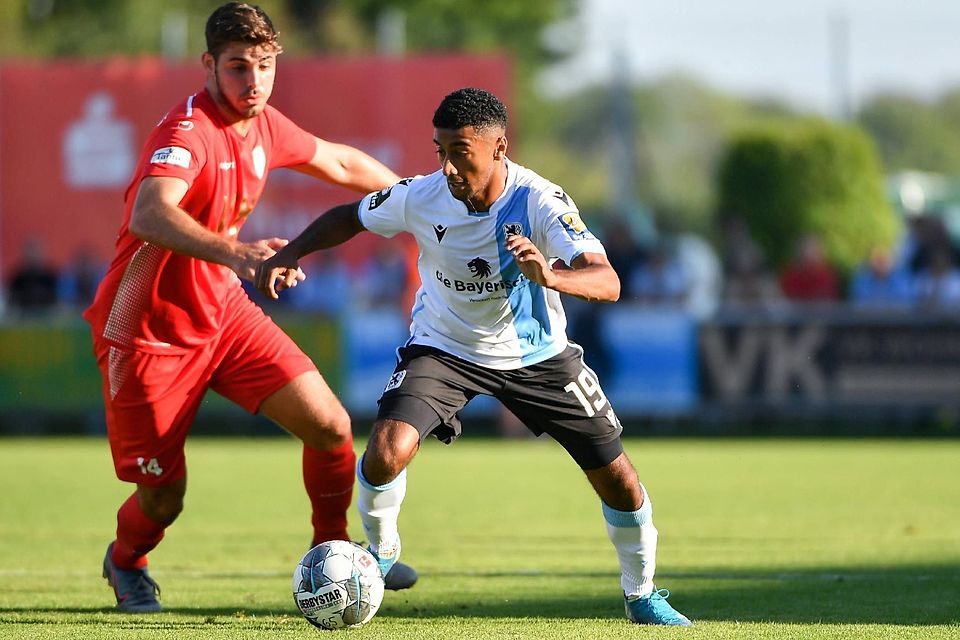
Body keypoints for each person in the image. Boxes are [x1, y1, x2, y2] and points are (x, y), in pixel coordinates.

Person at [256, 87, 693, 626]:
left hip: (537, 355)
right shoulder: (422, 195)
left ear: (499, 146)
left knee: (619, 478)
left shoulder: (540, 201)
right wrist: (292, 251)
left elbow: (608, 280)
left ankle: (642, 594)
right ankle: (380, 555)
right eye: (440, 150)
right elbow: (351, 215)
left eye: (460, 151)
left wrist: (551, 275)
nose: (448, 166)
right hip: (444, 346)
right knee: (385, 450)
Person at [83, 2, 417, 613]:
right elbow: (150, 213)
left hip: (223, 314)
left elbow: (340, 161)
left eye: (265, 65)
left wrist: (420, 200)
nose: (255, 81)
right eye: (239, 67)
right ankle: (126, 559)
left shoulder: (265, 125)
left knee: (331, 427)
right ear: (209, 64)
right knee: (164, 497)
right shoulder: (188, 131)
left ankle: (336, 555)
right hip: (147, 334)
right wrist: (238, 254)